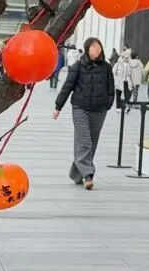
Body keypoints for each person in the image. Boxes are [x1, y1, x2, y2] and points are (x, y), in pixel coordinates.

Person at [53, 37, 115, 190]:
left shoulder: (106, 67)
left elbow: (111, 88)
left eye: (99, 47)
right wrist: (58, 106)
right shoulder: (78, 66)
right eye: (94, 47)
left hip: (99, 110)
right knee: (84, 141)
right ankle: (88, 175)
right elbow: (67, 87)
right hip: (80, 108)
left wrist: (108, 104)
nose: (97, 49)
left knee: (91, 144)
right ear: (87, 49)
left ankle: (76, 174)